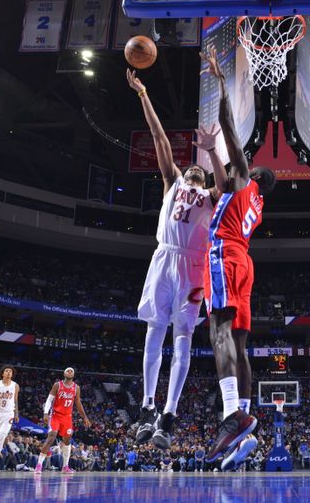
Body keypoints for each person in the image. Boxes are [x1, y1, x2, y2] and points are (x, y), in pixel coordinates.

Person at [127, 69, 228, 451]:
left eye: (198, 170)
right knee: (155, 330)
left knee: (183, 335)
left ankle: (169, 415)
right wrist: (143, 94)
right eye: (193, 167)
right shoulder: (173, 182)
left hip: (194, 265)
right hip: (164, 257)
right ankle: (147, 408)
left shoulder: (211, 196)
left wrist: (214, 150)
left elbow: (224, 182)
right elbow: (158, 137)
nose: (194, 169)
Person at [199, 47, 277, 468]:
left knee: (218, 333)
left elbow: (230, 126)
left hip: (225, 256)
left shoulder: (245, 179)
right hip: (245, 262)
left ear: (255, 175)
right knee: (241, 345)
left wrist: (221, 83)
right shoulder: (257, 205)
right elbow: (221, 177)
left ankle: (231, 414)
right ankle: (244, 415)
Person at [34, 368, 91, 474]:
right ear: (64, 373)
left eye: (71, 371)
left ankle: (65, 467)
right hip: (55, 415)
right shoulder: (57, 385)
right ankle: (39, 465)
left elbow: (78, 404)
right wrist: (46, 413)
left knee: (67, 441)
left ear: (73, 375)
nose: (69, 372)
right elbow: (49, 399)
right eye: (67, 371)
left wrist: (85, 417)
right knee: (51, 437)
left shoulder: (76, 388)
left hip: (67, 418)